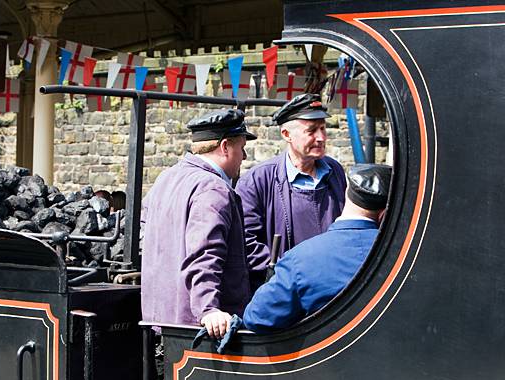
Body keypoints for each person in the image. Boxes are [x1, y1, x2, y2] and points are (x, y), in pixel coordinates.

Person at [141, 108, 257, 338]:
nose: (243, 157)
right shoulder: (213, 188)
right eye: (241, 148)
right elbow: (205, 252)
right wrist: (208, 309)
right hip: (196, 329)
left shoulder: (166, 178)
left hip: (159, 321)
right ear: (225, 147)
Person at [242, 163, 392, 334]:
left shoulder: (300, 260)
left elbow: (257, 318)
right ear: (384, 213)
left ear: (346, 193)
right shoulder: (404, 256)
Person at [236, 93, 347, 290]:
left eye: (323, 128)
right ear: (286, 134)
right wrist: (287, 274)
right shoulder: (257, 181)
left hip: (334, 287)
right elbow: (246, 243)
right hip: (285, 291)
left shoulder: (335, 171)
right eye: (311, 131)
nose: (321, 137)